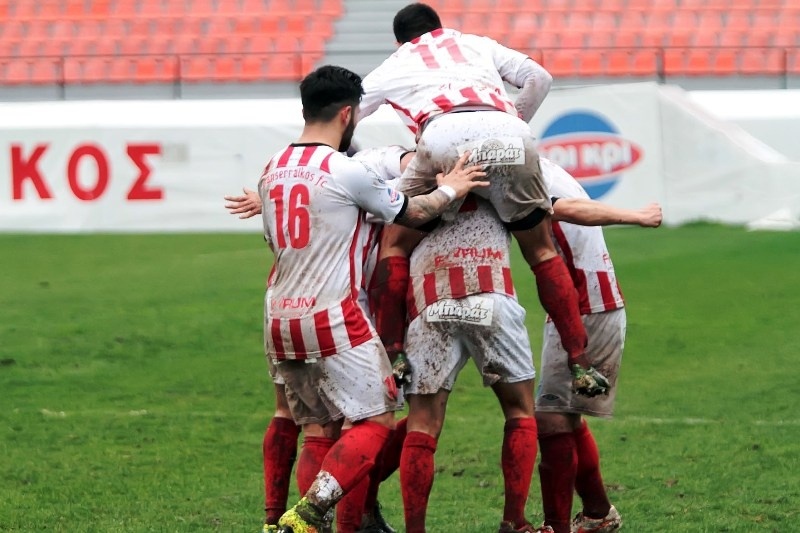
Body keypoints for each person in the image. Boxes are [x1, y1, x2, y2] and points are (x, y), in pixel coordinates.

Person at [258, 65, 488, 533]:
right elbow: (416, 210)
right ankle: (306, 513)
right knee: (376, 418)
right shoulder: (345, 170)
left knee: (318, 429)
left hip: (278, 317)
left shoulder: (271, 168)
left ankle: (289, 523)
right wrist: (453, 189)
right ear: (348, 114)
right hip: (333, 313)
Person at [357, 2, 609, 397]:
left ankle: (395, 354)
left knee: (395, 241)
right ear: (440, 27)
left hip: (443, 135)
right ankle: (580, 362)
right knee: (541, 250)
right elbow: (538, 78)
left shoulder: (393, 63)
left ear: (398, 40)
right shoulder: (475, 43)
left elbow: (348, 114)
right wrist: (512, 123)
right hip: (507, 131)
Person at [226, 146, 415, 533]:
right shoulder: (361, 178)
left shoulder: (287, 171)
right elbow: (414, 186)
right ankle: (341, 520)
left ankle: (278, 519)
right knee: (365, 423)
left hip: (282, 306)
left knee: (305, 423)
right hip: (342, 310)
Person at [534, 159, 662, 533]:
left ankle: (557, 525)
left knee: (551, 419)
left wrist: (634, 216)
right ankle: (596, 514)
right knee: (563, 418)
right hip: (575, 305)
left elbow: (566, 208)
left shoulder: (520, 172)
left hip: (588, 305)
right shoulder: (533, 161)